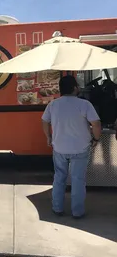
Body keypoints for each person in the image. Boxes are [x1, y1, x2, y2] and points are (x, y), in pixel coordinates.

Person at [42, 75, 101, 219]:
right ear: (75, 88)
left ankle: (57, 208)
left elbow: (44, 121)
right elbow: (96, 124)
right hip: (80, 148)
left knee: (59, 178)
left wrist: (48, 137)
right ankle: (77, 212)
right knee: (78, 180)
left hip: (59, 148)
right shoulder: (84, 104)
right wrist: (96, 138)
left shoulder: (53, 105)